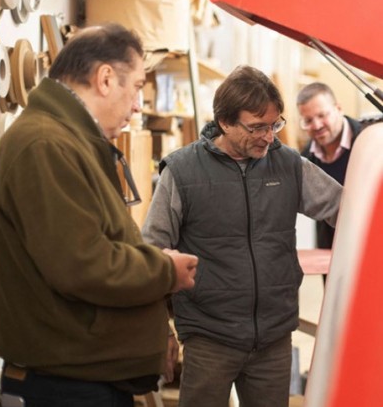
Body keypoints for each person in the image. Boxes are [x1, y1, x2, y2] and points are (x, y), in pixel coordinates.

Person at [0, 24, 198, 407]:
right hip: (64, 387)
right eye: (137, 87)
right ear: (105, 78)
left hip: (84, 380)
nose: (138, 104)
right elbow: (83, 264)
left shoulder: (71, 141)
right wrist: (165, 270)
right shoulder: (45, 145)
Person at [142, 65, 342, 407]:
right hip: (209, 338)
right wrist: (160, 327)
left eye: (275, 125)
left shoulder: (289, 165)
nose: (268, 137)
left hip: (274, 338)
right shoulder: (182, 171)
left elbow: (347, 209)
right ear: (225, 123)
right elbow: (151, 252)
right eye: (257, 127)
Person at [296, 82, 363, 268]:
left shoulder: (370, 141)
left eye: (322, 115)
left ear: (338, 108)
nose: (317, 125)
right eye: (308, 120)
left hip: (371, 242)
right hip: (331, 251)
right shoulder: (305, 159)